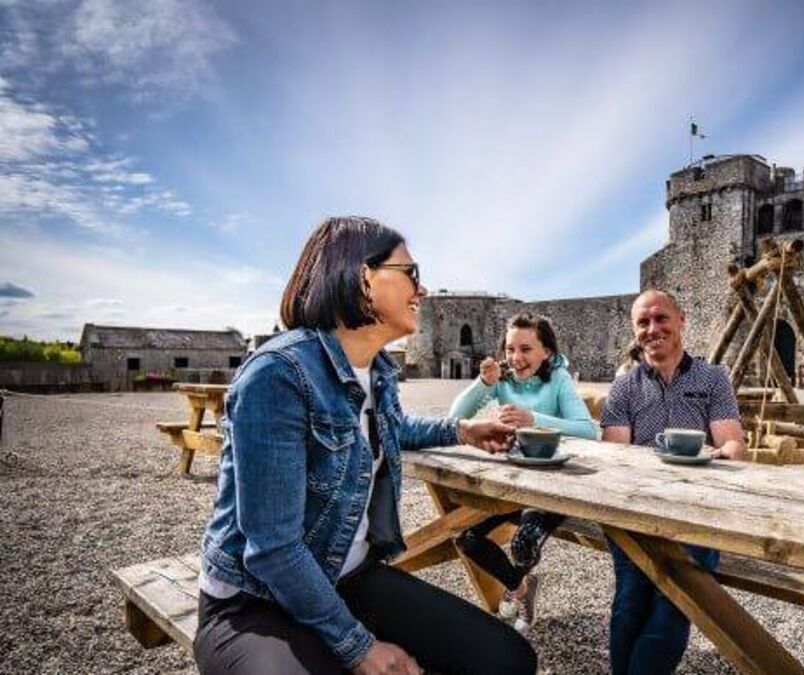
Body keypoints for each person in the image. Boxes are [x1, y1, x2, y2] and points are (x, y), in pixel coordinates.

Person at [194, 216, 537, 675]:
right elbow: (273, 549)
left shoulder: (377, 370)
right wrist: (358, 647)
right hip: (253, 603)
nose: (422, 289)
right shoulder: (278, 373)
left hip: (348, 578)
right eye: (410, 273)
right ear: (362, 277)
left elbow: (387, 428)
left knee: (509, 660)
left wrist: (463, 430)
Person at [600, 289, 747, 675]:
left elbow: (733, 444)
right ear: (634, 331)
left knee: (673, 603)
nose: (653, 329)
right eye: (643, 323)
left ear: (681, 320)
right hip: (636, 509)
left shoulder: (713, 379)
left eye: (661, 318)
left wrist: (722, 454)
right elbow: (615, 456)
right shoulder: (624, 386)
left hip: (696, 510)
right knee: (629, 602)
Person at [449, 313, 599, 632]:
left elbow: (588, 431)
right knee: (467, 539)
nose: (516, 357)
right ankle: (521, 588)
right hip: (513, 484)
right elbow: (454, 418)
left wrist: (534, 418)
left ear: (547, 351)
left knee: (523, 543)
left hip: (553, 486)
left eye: (526, 349)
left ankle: (518, 588)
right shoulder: (503, 380)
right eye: (510, 349)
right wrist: (484, 383)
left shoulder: (558, 379)